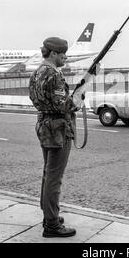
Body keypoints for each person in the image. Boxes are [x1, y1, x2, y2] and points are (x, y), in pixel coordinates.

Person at [29, 36, 77, 238]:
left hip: (44, 124)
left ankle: (49, 215)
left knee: (48, 173)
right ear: (54, 53)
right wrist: (78, 101)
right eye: (63, 54)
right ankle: (51, 225)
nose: (65, 57)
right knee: (54, 178)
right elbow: (63, 105)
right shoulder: (54, 75)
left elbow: (34, 97)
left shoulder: (37, 72)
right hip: (57, 129)